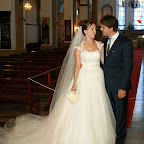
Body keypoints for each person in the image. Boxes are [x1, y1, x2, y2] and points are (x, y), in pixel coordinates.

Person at [0, 20, 116, 144]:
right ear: (85, 31)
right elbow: (77, 67)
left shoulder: (100, 45)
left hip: (97, 77)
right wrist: (75, 84)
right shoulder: (79, 47)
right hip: (84, 78)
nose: (94, 31)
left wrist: (115, 70)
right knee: (82, 107)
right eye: (92, 29)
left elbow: (104, 63)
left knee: (98, 105)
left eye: (95, 29)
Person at [100, 15, 133, 144]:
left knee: (120, 116)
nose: (101, 29)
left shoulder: (125, 43)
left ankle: (120, 140)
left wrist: (123, 88)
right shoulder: (104, 41)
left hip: (119, 86)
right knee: (110, 113)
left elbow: (128, 67)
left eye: (103, 27)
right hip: (106, 85)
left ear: (110, 28)